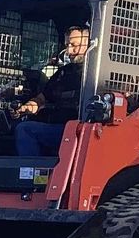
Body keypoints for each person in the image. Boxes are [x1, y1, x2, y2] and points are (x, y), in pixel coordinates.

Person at [12, 23, 90, 154]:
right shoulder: (63, 73)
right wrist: (28, 107)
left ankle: (31, 172)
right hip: (60, 129)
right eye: (67, 45)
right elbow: (42, 98)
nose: (69, 51)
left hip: (80, 131)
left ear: (90, 43)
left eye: (74, 45)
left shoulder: (95, 74)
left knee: (25, 130)